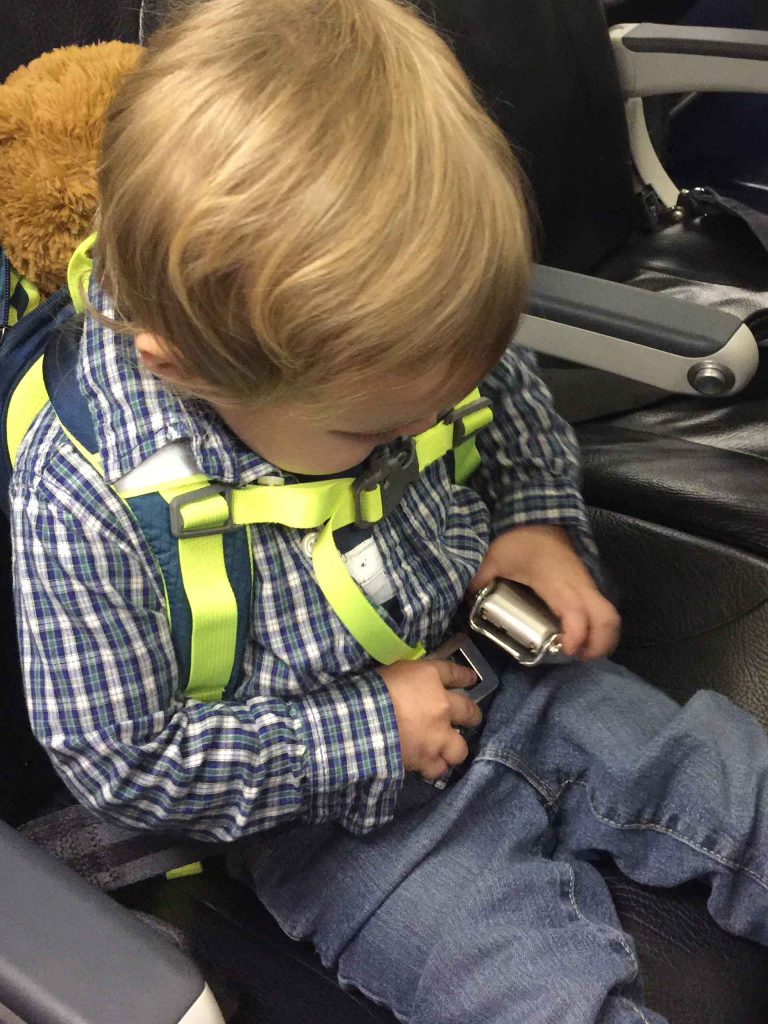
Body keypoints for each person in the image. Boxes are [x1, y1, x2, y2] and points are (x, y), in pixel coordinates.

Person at [10, 1, 768, 1021]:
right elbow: (127, 762)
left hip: (511, 669)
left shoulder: (394, 335)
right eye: (376, 432)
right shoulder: (84, 497)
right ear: (185, 367)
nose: (423, 425)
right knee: (537, 992)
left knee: (735, 783)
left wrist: (536, 521)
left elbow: (511, 408)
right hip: (338, 824)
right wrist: (370, 729)